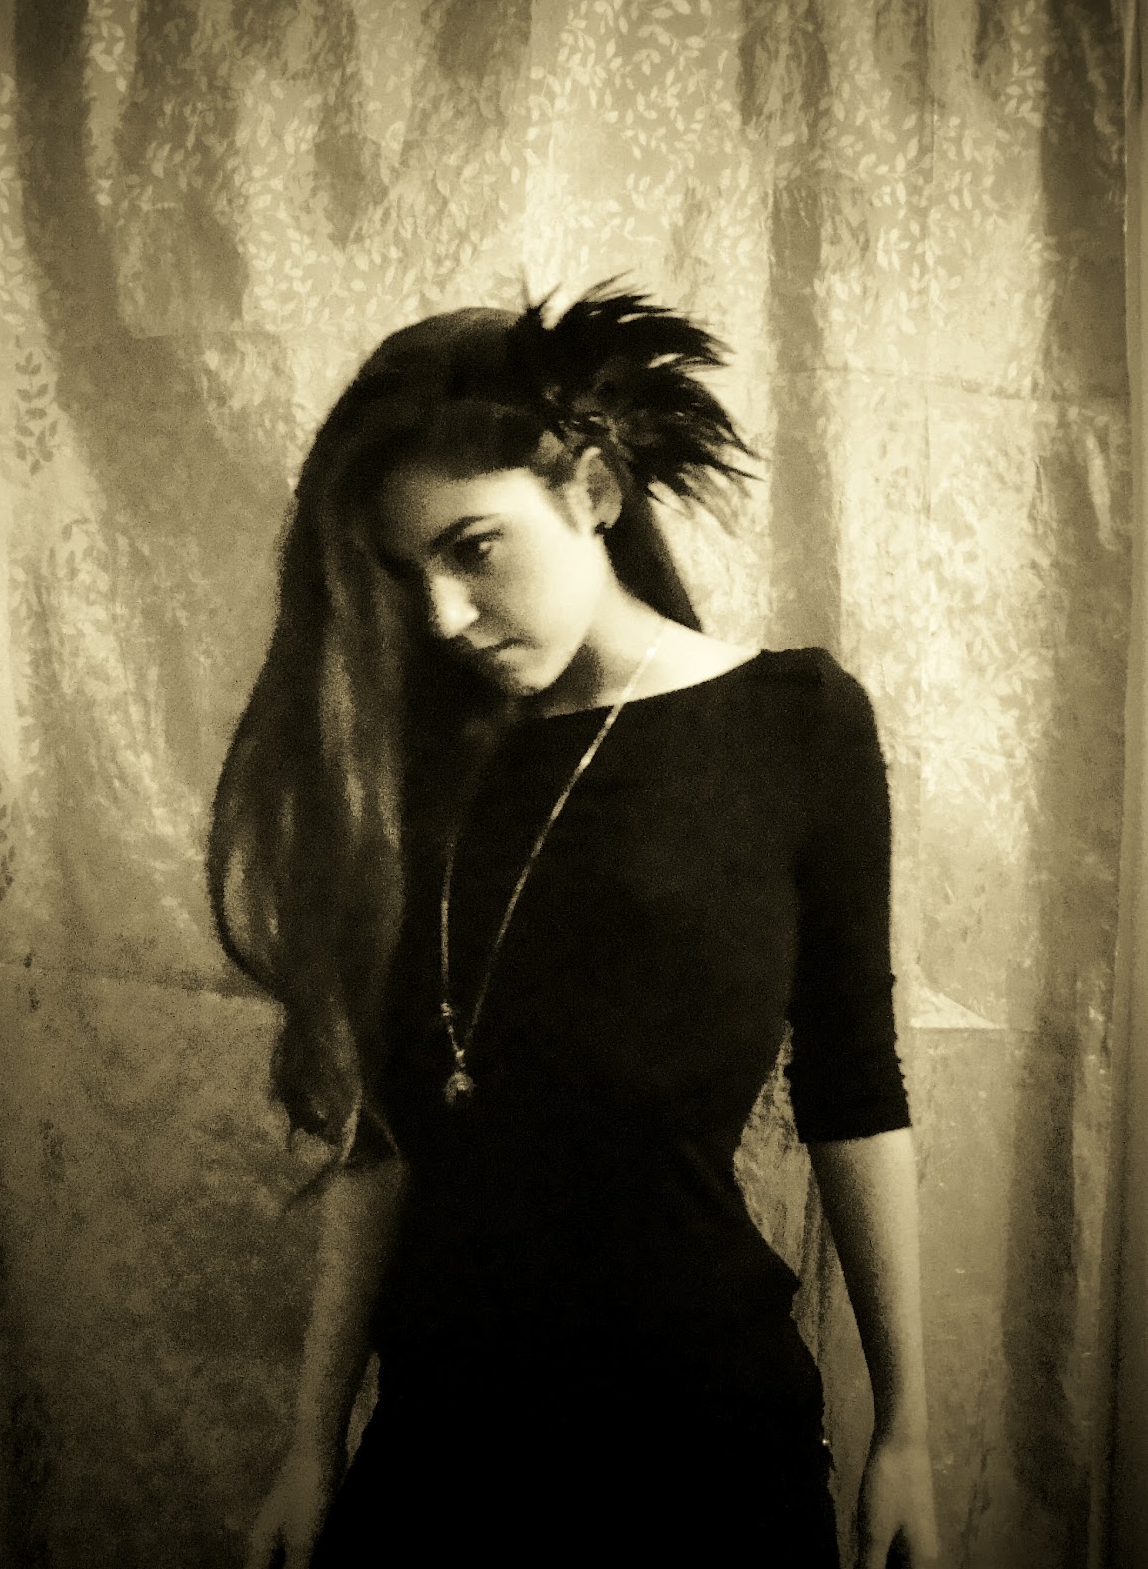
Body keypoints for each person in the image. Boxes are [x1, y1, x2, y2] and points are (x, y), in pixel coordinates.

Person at [209, 281, 940, 1568]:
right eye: (408, 571)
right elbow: (389, 1133)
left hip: (703, 1444)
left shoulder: (794, 726)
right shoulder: (413, 764)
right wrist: (313, 1439)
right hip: (445, 1445)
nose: (443, 615)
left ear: (594, 491)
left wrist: (910, 1429)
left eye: (475, 548)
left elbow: (855, 1089)